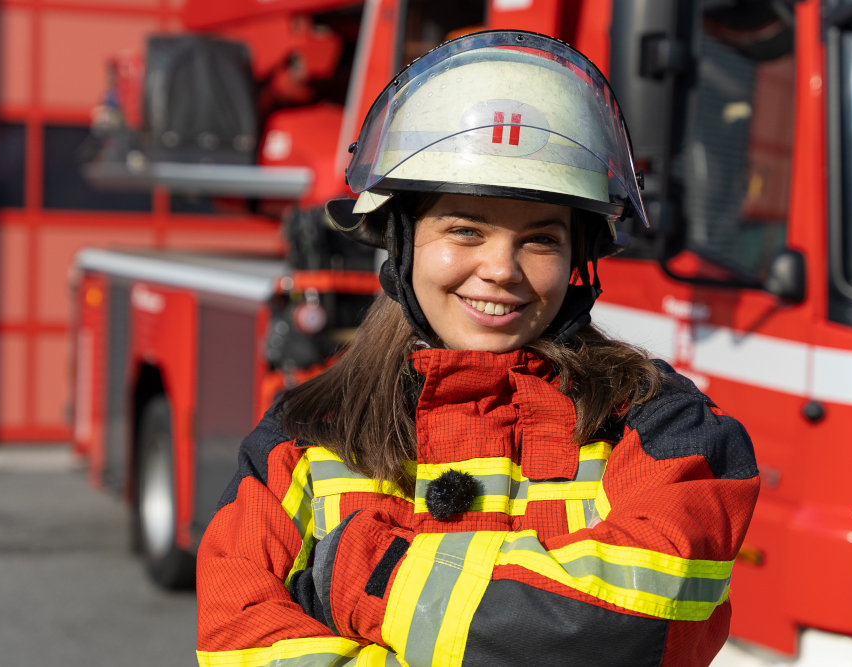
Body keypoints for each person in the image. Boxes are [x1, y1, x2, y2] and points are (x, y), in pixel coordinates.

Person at [196, 31, 759, 667]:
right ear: (402, 242)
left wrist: (359, 577)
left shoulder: (663, 428)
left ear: (580, 258)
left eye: (541, 239)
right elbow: (237, 637)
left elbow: (636, 624)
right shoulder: (302, 438)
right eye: (464, 229)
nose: (502, 269)